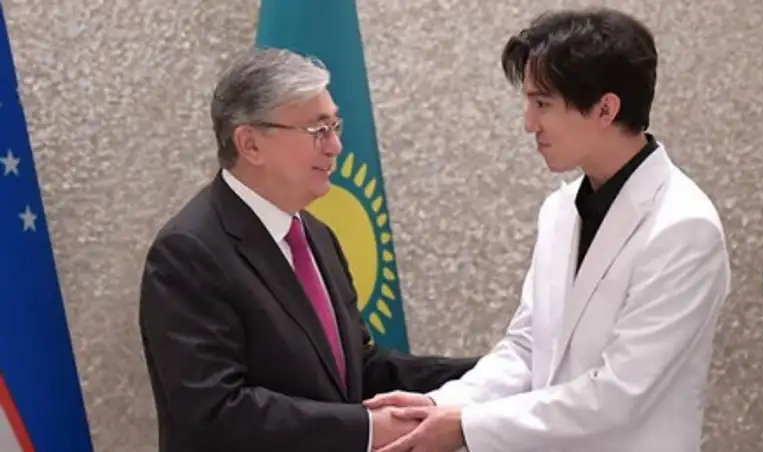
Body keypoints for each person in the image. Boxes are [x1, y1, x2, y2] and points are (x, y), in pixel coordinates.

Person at [364, 7, 731, 452]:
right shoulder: (560, 210)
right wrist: (439, 405)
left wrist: (466, 426)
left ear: (605, 109)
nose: (528, 123)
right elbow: (526, 348)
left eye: (542, 104)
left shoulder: (684, 228)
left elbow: (619, 395)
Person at [138, 48, 478, 452]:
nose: (335, 146)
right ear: (251, 144)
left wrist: (494, 374)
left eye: (335, 126)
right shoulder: (188, 252)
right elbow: (216, 413)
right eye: (318, 130)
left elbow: (356, 371)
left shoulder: (316, 234)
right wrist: (369, 429)